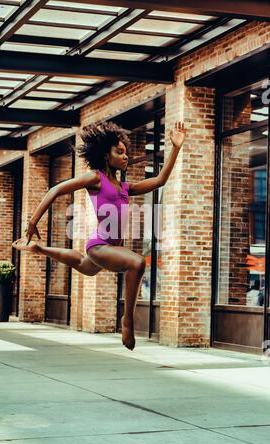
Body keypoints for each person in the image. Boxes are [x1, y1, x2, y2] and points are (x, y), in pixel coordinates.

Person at [12, 120, 186, 350]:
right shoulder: (95, 178)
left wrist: (175, 148)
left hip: (105, 249)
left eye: (126, 153)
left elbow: (160, 180)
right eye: (119, 152)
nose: (125, 157)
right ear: (106, 155)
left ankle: (39, 249)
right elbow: (56, 189)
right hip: (100, 245)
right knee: (136, 263)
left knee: (83, 266)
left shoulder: (125, 187)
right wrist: (33, 222)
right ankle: (128, 319)